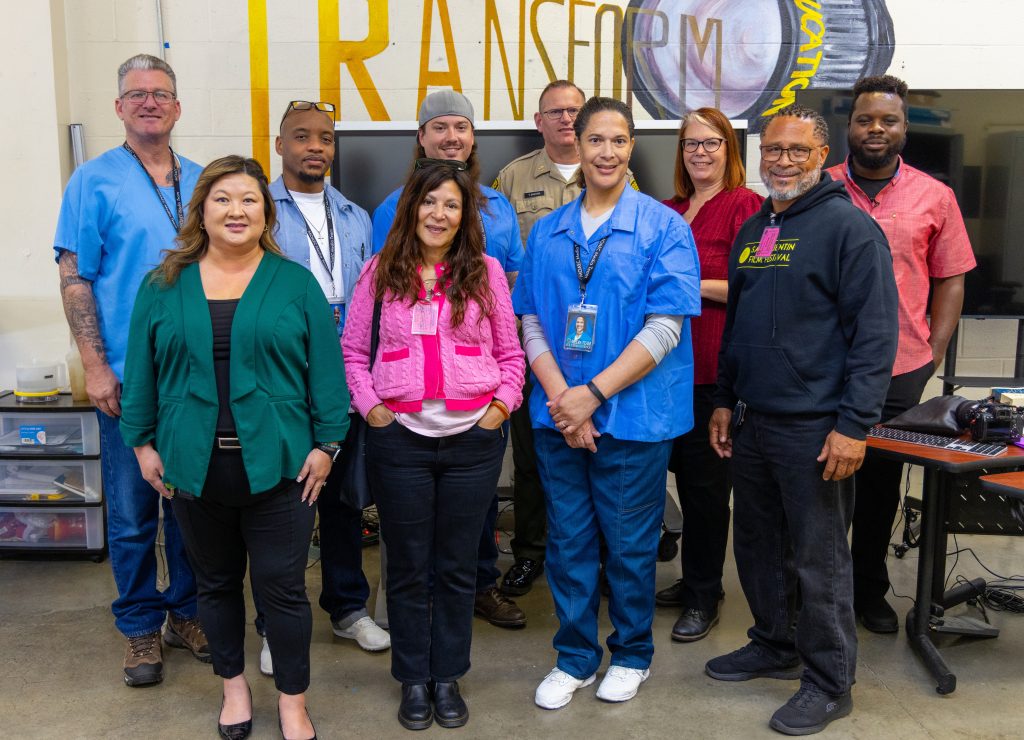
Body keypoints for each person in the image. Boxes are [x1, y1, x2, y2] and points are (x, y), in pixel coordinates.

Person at [120, 155, 349, 740]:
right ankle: (234, 688)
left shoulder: (295, 282)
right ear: (202, 209)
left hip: (281, 469)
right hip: (193, 468)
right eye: (222, 198)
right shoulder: (163, 285)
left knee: (284, 590)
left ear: (266, 212)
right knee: (215, 586)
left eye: (249, 198)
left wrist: (327, 445)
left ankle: (293, 702)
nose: (236, 210)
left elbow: (326, 373)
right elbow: (141, 374)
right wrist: (142, 444)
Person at [706, 106, 898, 736]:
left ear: (822, 156)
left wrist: (854, 426)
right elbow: (740, 326)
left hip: (816, 427)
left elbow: (875, 338)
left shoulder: (849, 229)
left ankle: (829, 681)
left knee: (819, 561)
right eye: (772, 151)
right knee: (757, 546)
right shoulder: (758, 227)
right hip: (754, 418)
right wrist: (724, 400)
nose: (782, 162)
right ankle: (775, 642)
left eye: (797, 151)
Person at [513, 96, 701, 709]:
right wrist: (563, 400)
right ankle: (573, 658)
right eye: (596, 140)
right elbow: (532, 322)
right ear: (578, 146)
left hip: (633, 418)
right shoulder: (548, 230)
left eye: (619, 141)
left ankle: (631, 653)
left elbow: (665, 326)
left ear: (630, 147)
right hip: (559, 414)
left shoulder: (664, 227)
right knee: (568, 544)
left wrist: (592, 394)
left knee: (628, 544)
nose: (607, 152)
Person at [342, 160, 525, 730]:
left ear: (465, 214)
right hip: (401, 439)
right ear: (411, 209)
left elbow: (512, 354)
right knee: (408, 567)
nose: (439, 214)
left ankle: (447, 676)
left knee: (456, 567)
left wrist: (498, 411)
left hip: (473, 439)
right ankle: (412, 680)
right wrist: (373, 411)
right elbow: (352, 352)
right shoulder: (379, 271)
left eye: (451, 204)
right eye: (429, 202)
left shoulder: (487, 271)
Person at [53, 53, 208, 687]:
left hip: (197, 379)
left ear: (177, 106)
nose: (150, 102)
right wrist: (94, 365)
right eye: (137, 94)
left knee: (195, 509)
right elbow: (74, 276)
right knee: (132, 511)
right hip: (127, 378)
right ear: (119, 108)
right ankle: (141, 626)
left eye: (162, 93)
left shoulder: (201, 181)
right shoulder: (93, 181)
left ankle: (188, 613)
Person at [372, 89, 528, 629]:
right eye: (439, 127)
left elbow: (513, 283)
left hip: (474, 394)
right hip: (407, 403)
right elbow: (380, 300)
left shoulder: (498, 207)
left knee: (477, 510)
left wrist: (498, 405)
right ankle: (407, 608)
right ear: (421, 137)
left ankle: (479, 586)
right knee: (409, 525)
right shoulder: (391, 208)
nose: (451, 137)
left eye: (461, 127)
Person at [826, 75, 976, 634]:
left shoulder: (934, 197)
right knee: (819, 483)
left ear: (904, 129)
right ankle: (815, 593)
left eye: (888, 120)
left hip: (898, 369)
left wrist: (932, 352)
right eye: (865, 119)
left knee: (879, 487)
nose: (875, 129)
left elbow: (951, 279)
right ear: (850, 126)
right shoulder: (820, 188)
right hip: (825, 366)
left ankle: (868, 590)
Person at [492, 80, 638, 596]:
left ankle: (598, 562)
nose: (564, 119)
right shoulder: (512, 177)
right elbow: (505, 261)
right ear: (541, 120)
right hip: (541, 348)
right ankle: (531, 553)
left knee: (602, 457)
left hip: (610, 353)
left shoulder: (622, 177)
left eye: (573, 111)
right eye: (555, 111)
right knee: (535, 460)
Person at [259, 98, 388, 670]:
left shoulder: (354, 215)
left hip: (343, 379)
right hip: (283, 380)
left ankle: (347, 609)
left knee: (342, 500)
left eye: (326, 138)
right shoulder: (257, 207)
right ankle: (273, 623)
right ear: (280, 144)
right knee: (283, 507)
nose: (316, 147)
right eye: (303, 136)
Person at [655, 108, 762, 642]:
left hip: (712, 373)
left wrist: (683, 288)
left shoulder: (747, 206)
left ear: (729, 149)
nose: (700, 151)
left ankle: (704, 593)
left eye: (711, 142)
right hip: (659, 371)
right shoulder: (667, 209)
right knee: (667, 483)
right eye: (691, 143)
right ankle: (689, 580)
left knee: (705, 491)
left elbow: (754, 285)